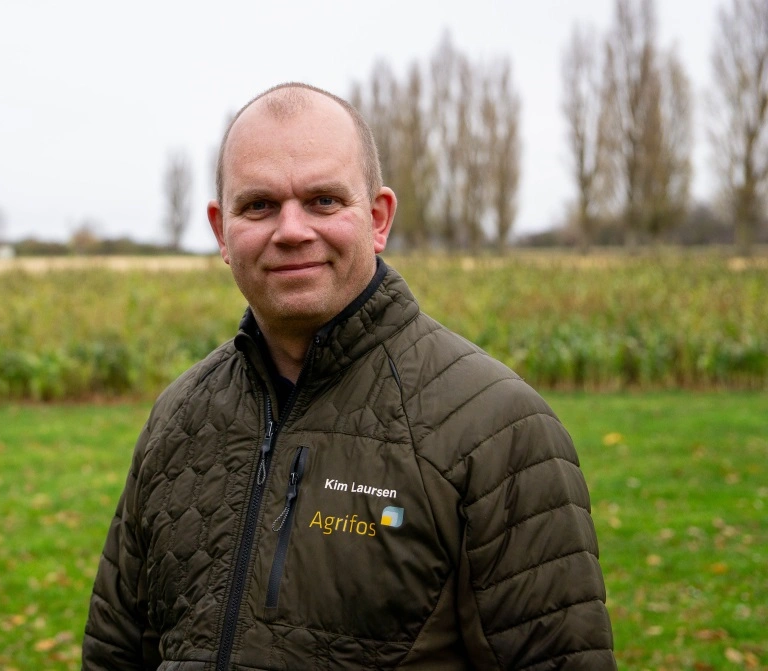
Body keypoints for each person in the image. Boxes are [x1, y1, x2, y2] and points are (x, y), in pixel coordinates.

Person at [82, 82, 615, 670]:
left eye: (323, 201)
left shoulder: (497, 429)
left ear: (378, 218)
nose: (290, 230)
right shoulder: (178, 419)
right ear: (221, 233)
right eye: (258, 205)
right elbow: (115, 651)